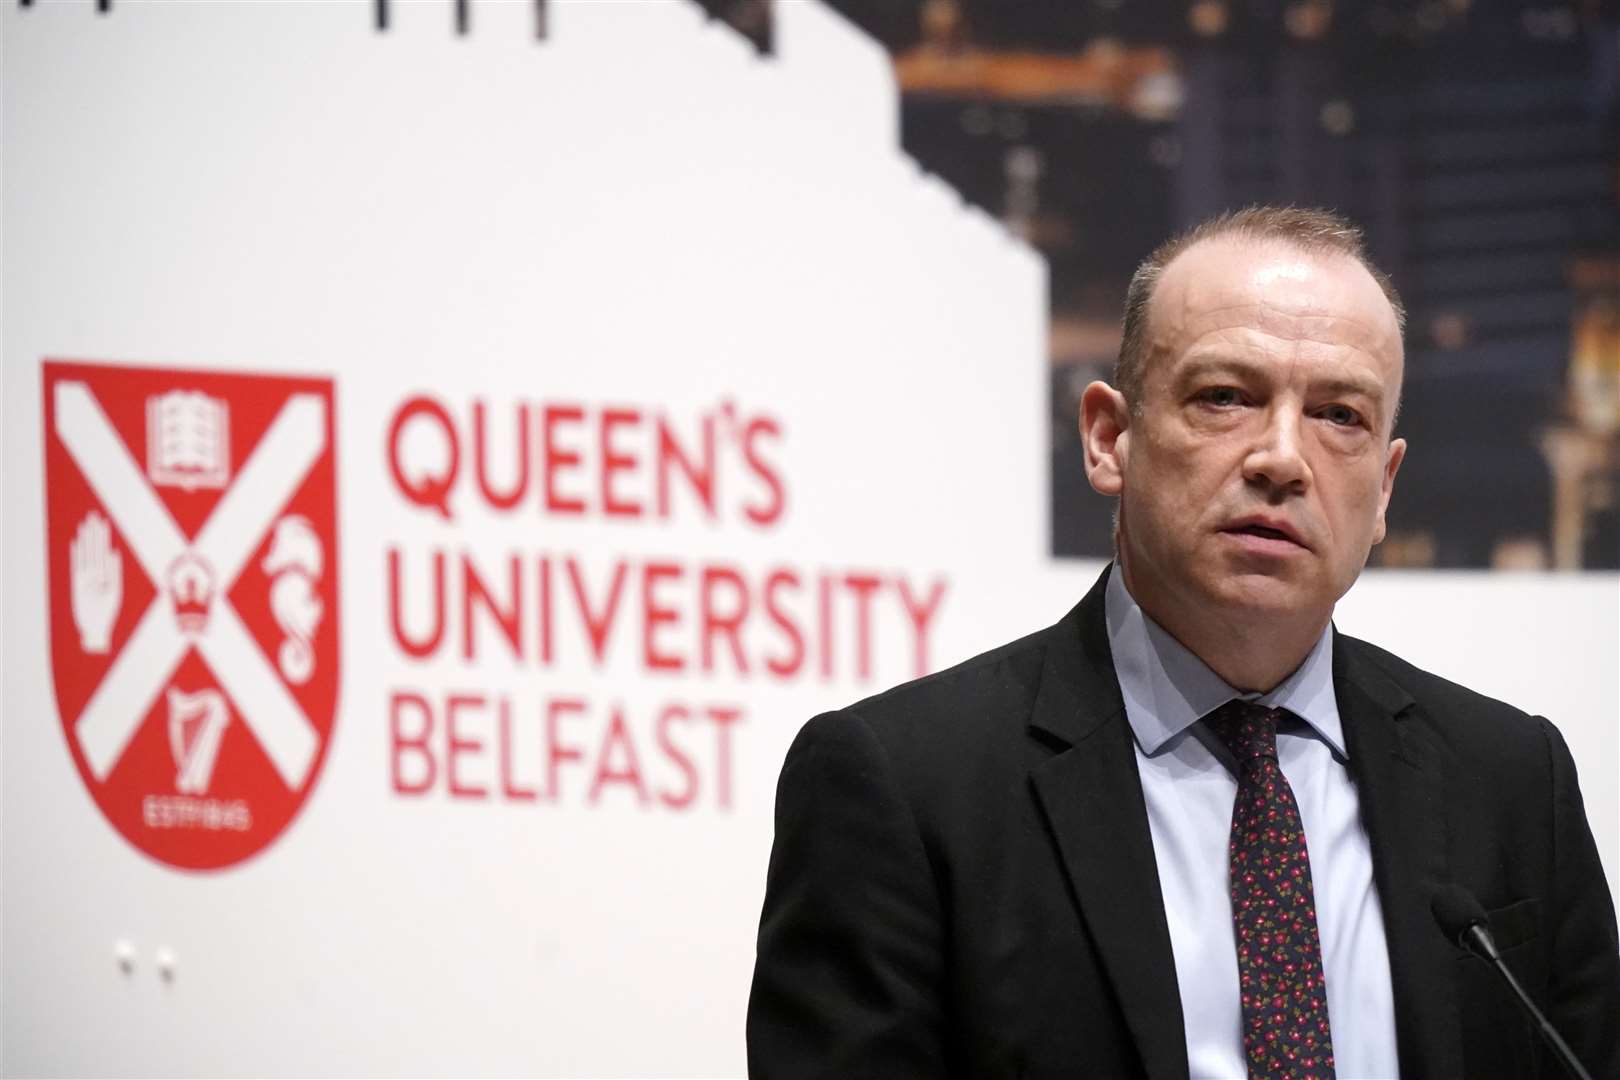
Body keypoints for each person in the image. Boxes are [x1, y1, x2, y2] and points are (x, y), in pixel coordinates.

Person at [746, 207, 1620, 1079]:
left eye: (1339, 415)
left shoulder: (1510, 782)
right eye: (1225, 398)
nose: (1282, 458)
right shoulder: (906, 787)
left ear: (1385, 488)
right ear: (1108, 439)